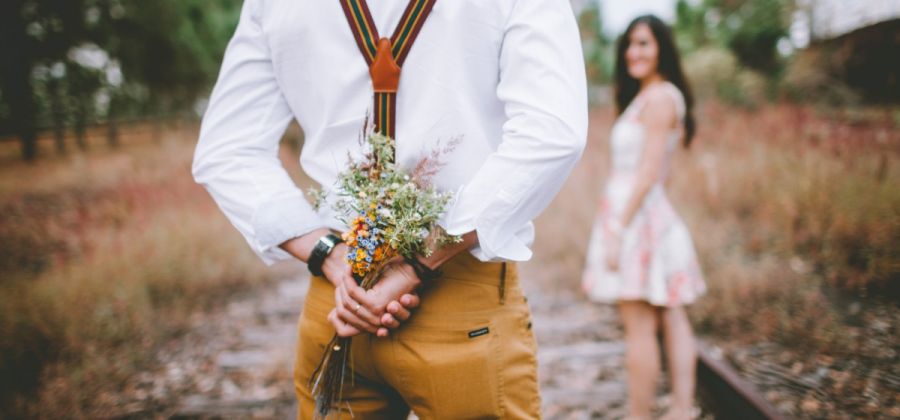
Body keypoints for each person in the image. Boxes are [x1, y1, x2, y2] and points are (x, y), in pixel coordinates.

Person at [192, 0, 587, 418]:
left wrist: (331, 254)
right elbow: (553, 133)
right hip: (459, 301)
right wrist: (416, 261)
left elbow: (227, 151)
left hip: (341, 304)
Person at [580, 14, 707, 420]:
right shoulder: (652, 96)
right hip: (644, 214)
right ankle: (682, 408)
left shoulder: (660, 98)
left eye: (644, 44)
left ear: (661, 49)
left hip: (637, 219)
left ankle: (643, 415)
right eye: (630, 45)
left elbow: (649, 172)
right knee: (671, 312)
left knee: (640, 325)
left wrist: (618, 228)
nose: (634, 52)